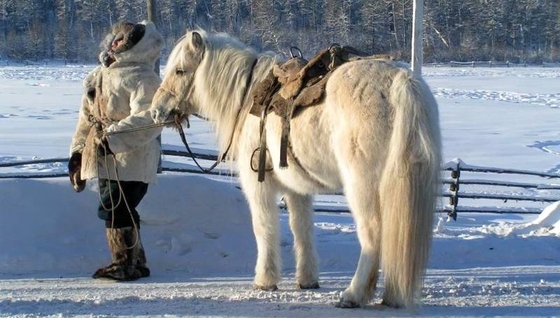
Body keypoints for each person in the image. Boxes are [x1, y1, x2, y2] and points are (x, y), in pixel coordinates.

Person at [68, 20, 164, 281]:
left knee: (115, 207)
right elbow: (87, 117)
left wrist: (111, 140)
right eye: (116, 37)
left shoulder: (144, 78)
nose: (115, 42)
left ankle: (123, 263)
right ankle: (135, 262)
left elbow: (150, 119)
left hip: (132, 158)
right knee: (119, 207)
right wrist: (78, 152)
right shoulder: (99, 75)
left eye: (122, 39)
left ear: (134, 45)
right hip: (103, 155)